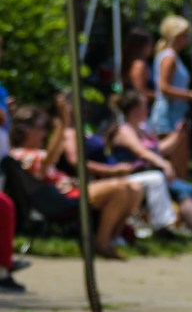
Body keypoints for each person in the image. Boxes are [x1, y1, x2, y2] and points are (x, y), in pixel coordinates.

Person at [8, 105, 143, 259]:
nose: (44, 133)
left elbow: (50, 159)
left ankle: (114, 239)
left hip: (70, 191)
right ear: (24, 130)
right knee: (119, 188)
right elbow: (48, 163)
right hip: (61, 199)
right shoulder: (21, 155)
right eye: (41, 128)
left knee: (134, 187)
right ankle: (101, 242)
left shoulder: (35, 153)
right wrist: (63, 125)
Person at [106, 90, 192, 250]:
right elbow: (142, 152)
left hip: (153, 175)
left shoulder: (141, 130)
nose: (147, 109)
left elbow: (159, 149)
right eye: (145, 106)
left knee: (190, 191)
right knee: (184, 190)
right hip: (137, 176)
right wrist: (164, 165)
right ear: (135, 109)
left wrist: (178, 134)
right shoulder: (124, 130)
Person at [151, 15, 192, 179]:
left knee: (176, 164)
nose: (187, 39)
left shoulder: (168, 55)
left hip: (174, 113)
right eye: (185, 35)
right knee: (178, 166)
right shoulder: (169, 58)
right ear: (176, 36)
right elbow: (164, 88)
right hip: (169, 115)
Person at [121, 28, 156, 108]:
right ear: (141, 46)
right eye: (150, 44)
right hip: (139, 108)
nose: (152, 48)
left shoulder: (134, 62)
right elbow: (140, 92)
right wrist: (160, 96)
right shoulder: (139, 65)